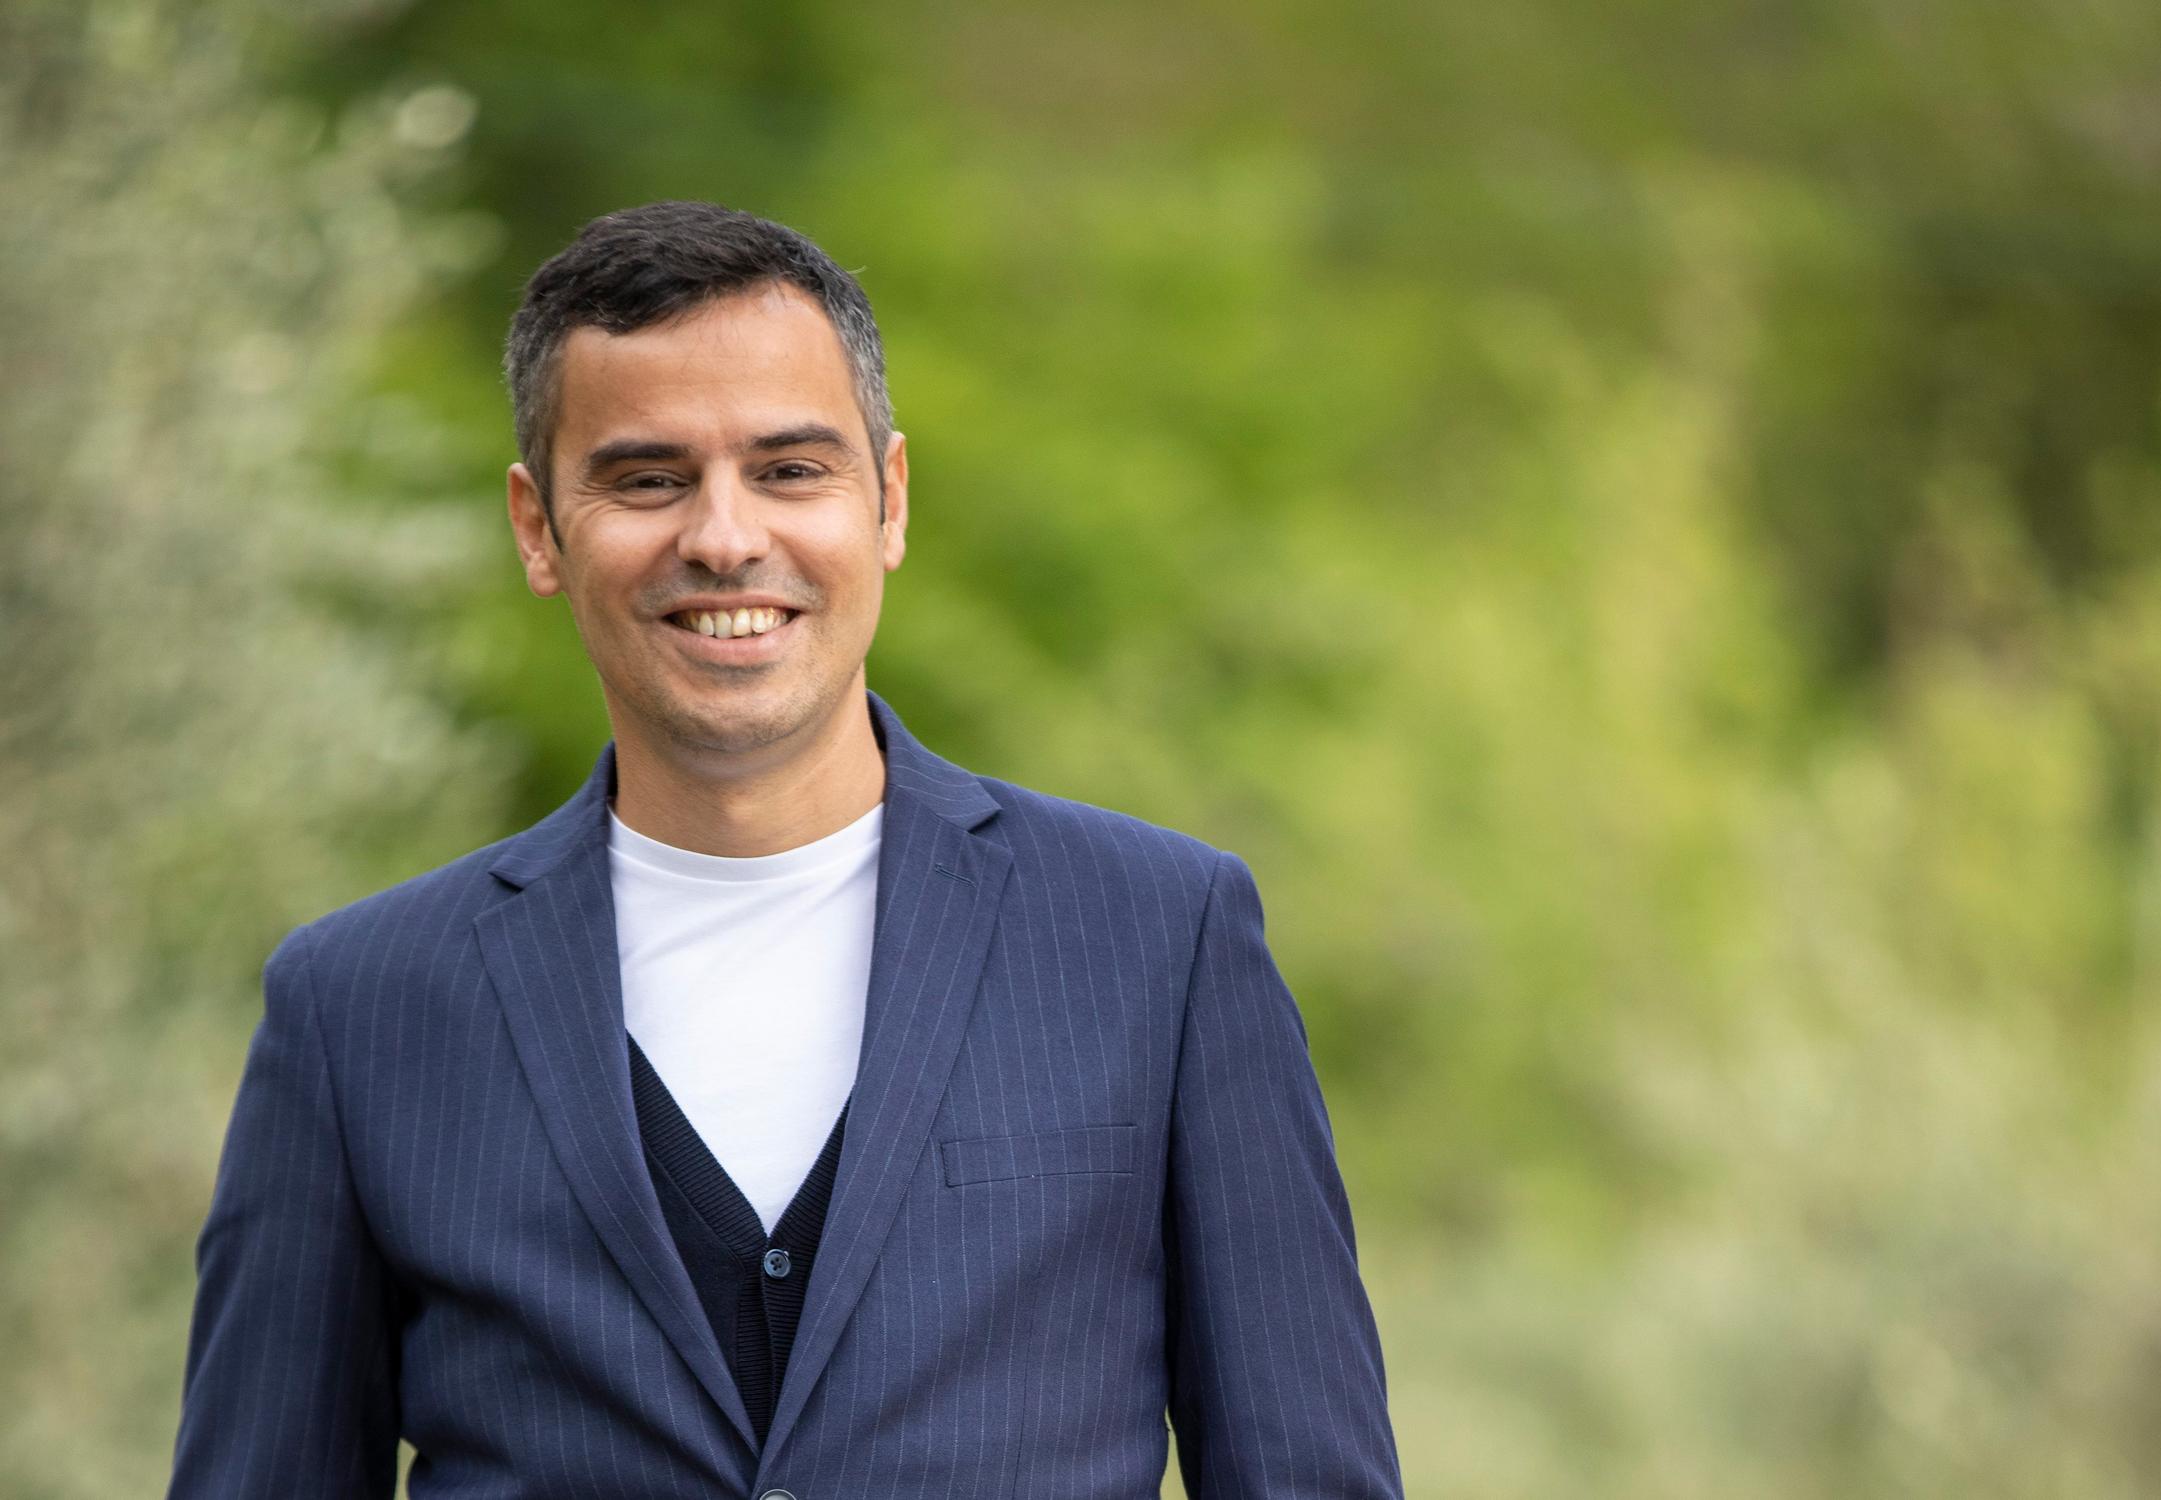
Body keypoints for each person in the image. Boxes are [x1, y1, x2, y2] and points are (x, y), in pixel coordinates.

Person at [168, 200, 1404, 1500]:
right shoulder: (358, 1006)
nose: (723, 535)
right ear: (538, 528)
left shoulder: (1160, 937)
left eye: (789, 470)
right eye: (647, 478)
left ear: (889, 500)